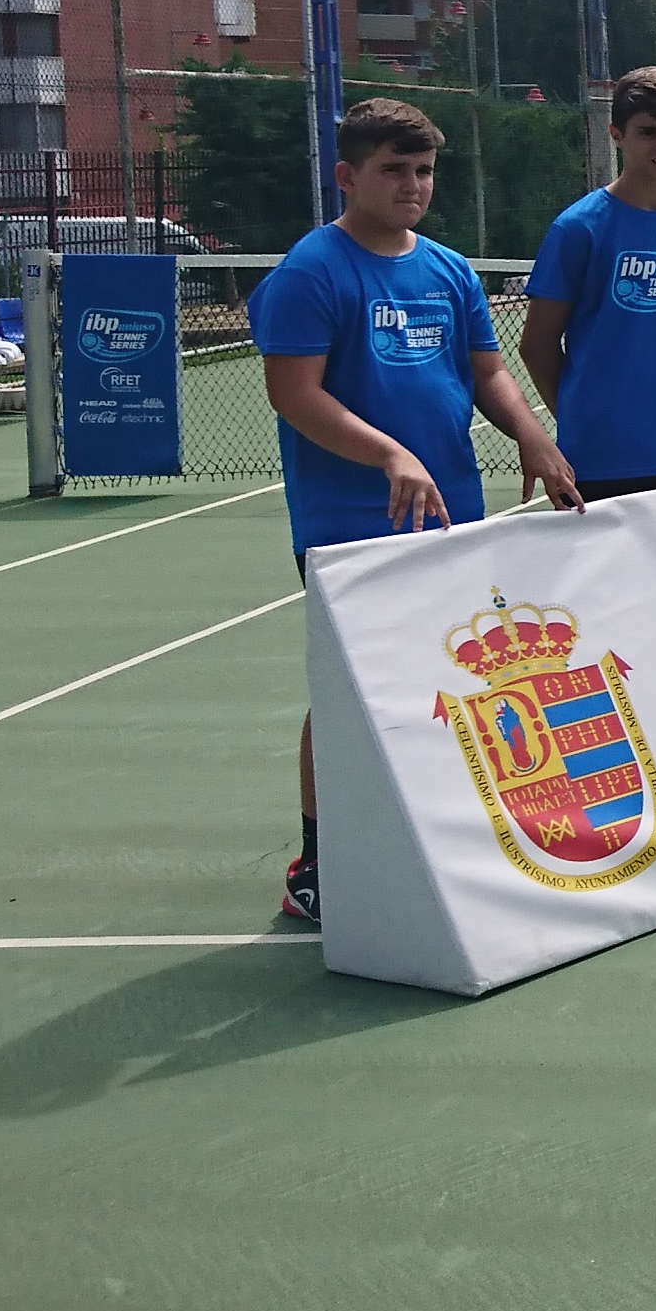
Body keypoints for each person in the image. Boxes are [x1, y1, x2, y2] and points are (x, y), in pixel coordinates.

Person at [255, 97, 579, 924]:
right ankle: (317, 861)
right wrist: (389, 454)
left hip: (449, 517)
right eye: (393, 170)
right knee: (350, 692)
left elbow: (488, 372)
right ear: (347, 175)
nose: (412, 185)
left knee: (452, 679)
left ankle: (437, 834)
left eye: (424, 171)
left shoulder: (448, 269)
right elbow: (295, 393)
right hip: (348, 521)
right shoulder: (311, 271)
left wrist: (532, 437)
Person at [521, 67, 656, 499]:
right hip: (597, 459)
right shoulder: (577, 229)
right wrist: (583, 419)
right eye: (649, 132)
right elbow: (537, 346)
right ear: (617, 134)